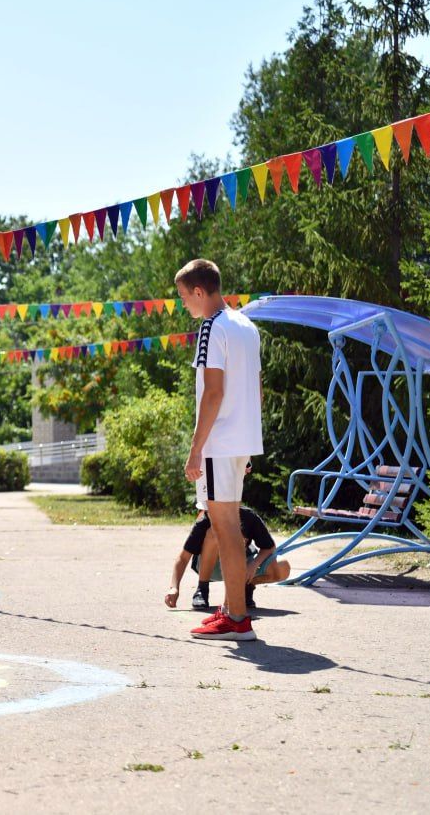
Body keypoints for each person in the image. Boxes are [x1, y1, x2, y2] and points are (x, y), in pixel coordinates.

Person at [176, 259, 265, 641]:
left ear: (199, 291)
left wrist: (196, 448)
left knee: (224, 527)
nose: (184, 305)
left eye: (183, 297)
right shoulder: (247, 325)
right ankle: (230, 609)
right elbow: (257, 389)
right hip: (241, 439)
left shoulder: (211, 328)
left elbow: (213, 393)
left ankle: (237, 619)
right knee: (227, 525)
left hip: (220, 440)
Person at [164, 506, 291, 611]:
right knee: (213, 533)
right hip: (211, 567)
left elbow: (269, 547)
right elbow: (183, 558)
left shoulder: (249, 516)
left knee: (282, 566)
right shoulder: (205, 518)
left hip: (240, 566)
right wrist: (174, 588)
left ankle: (245, 587)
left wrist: (253, 565)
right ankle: (202, 590)